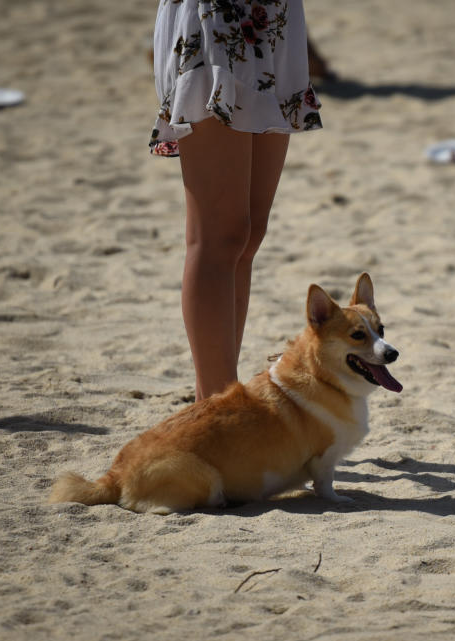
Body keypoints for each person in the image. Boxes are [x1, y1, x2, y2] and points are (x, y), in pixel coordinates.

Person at [149, 0, 323, 401]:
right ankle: (218, 409)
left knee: (247, 235)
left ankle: (217, 402)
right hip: (216, 18)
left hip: (273, 19)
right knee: (220, 236)